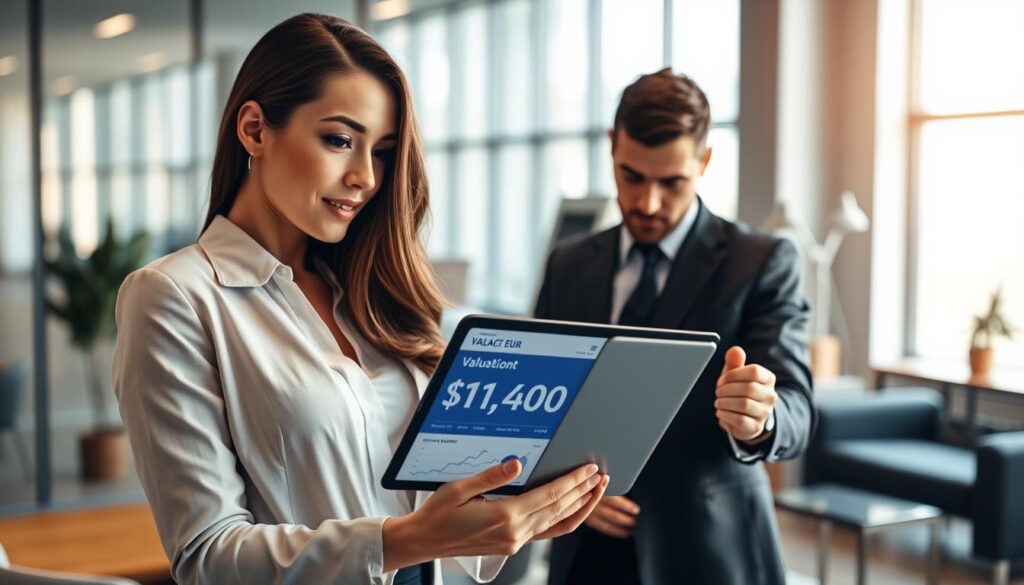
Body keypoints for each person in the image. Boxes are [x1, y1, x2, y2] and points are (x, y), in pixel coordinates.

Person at [112, 14, 607, 585]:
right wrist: (408, 539)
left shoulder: (376, 293)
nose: (366, 178)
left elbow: (432, 505)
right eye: (340, 140)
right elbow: (208, 557)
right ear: (254, 130)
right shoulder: (173, 297)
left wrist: (510, 508)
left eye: (383, 152)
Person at [537, 69, 815, 585]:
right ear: (611, 150)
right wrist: (561, 489)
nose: (648, 203)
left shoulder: (762, 262)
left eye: (672, 182)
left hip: (709, 550)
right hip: (583, 550)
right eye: (632, 176)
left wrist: (761, 417)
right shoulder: (568, 265)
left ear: (704, 161)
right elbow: (539, 404)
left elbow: (797, 408)